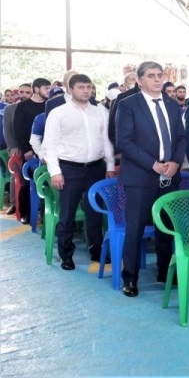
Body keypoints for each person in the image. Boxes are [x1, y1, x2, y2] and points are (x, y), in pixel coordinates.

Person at [116, 61, 186, 298]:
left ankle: (165, 271)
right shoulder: (128, 105)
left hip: (169, 174)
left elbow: (181, 137)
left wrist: (175, 162)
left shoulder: (171, 104)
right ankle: (130, 278)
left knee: (166, 227)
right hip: (141, 176)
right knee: (135, 228)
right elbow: (124, 141)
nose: (157, 80)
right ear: (139, 81)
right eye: (151, 76)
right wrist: (152, 164)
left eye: (159, 75)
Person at [42, 75, 115, 269]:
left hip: (96, 168)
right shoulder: (59, 113)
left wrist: (109, 166)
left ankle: (96, 250)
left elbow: (106, 140)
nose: (86, 91)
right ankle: (66, 255)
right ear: (70, 89)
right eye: (81, 87)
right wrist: (55, 172)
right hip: (69, 169)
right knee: (67, 214)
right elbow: (49, 145)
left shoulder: (100, 112)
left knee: (95, 212)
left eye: (89, 87)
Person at [13, 77, 51, 224]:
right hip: (29, 151)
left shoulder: (49, 105)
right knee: (27, 182)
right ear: (36, 89)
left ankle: (46, 213)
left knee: (46, 183)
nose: (48, 91)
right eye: (46, 88)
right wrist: (26, 149)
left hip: (46, 151)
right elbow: (18, 130)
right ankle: (26, 214)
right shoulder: (23, 106)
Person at [2, 83, 31, 215]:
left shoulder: (36, 106)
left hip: (32, 148)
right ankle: (15, 203)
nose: (24, 95)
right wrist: (13, 147)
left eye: (27, 92)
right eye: (21, 92)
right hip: (16, 148)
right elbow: (7, 130)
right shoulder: (10, 109)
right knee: (17, 175)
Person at [108, 72, 139, 151]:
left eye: (137, 79)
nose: (135, 81)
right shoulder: (122, 98)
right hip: (129, 147)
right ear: (125, 84)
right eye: (133, 80)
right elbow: (113, 125)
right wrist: (117, 150)